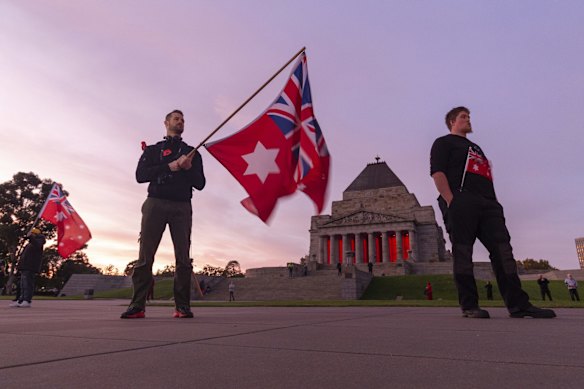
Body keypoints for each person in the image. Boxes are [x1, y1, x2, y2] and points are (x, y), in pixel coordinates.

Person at [430, 106, 555, 319]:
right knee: (463, 252)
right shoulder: (443, 142)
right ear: (452, 121)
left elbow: (485, 176)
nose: (468, 120)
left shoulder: (476, 148)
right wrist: (451, 200)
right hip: (461, 200)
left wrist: (494, 203)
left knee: (503, 252)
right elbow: (437, 172)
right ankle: (469, 306)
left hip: (488, 204)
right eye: (464, 117)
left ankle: (518, 305)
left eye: (469, 116)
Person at [121, 110, 206, 319]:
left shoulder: (192, 152)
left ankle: (182, 306)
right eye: (176, 118)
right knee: (145, 256)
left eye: (183, 119)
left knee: (183, 258)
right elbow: (141, 175)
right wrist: (170, 166)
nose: (180, 121)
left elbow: (201, 183)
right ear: (166, 123)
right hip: (155, 203)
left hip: (182, 206)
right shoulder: (153, 150)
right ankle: (137, 305)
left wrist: (186, 168)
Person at [9, 228, 45, 308]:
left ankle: (27, 300)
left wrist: (31, 237)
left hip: (30, 266)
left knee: (27, 284)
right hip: (24, 266)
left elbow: (37, 244)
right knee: (21, 284)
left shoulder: (39, 241)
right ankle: (21, 299)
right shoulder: (29, 244)